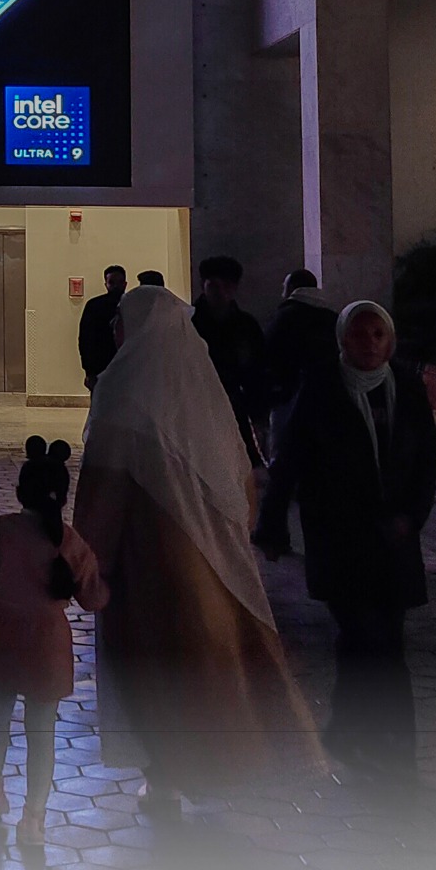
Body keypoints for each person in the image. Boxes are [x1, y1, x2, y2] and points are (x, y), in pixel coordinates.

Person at [73, 286, 322, 814]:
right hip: (210, 563)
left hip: (145, 566)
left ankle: (165, 777)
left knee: (156, 676)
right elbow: (240, 482)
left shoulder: (122, 388)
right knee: (208, 672)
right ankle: (215, 768)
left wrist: (88, 562)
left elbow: (102, 489)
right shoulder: (202, 391)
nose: (115, 329)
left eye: (120, 320)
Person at [256, 302, 436, 783]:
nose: (370, 344)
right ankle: (391, 747)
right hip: (341, 537)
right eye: (360, 334)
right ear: (342, 339)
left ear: (391, 340)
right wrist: (271, 525)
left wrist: (411, 517)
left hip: (394, 540)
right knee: (367, 637)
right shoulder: (323, 386)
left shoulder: (406, 388)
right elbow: (291, 459)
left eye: (379, 334)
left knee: (384, 641)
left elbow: (426, 460)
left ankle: (356, 732)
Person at [0, 437, 108, 845]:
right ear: (63, 496)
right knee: (42, 733)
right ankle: (34, 818)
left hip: (4, 636)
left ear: (20, 492)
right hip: (50, 645)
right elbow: (94, 598)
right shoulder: (70, 542)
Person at [191, 255, 267, 468]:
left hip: (237, 406)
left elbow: (258, 370)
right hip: (197, 406)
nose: (221, 292)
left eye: (227, 286)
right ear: (203, 286)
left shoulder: (246, 325)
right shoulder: (188, 324)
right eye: (214, 286)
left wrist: (258, 413)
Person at [262, 269, 338, 465]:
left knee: (283, 449)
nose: (282, 292)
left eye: (285, 287)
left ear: (293, 288)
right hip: (326, 393)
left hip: (288, 392)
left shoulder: (284, 317)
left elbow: (268, 353)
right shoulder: (332, 318)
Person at [77, 266, 127, 392]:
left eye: (119, 282)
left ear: (125, 284)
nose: (116, 286)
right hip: (102, 365)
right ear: (106, 284)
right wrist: (89, 371)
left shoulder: (131, 305)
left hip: (124, 366)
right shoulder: (94, 306)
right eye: (112, 282)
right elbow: (86, 339)